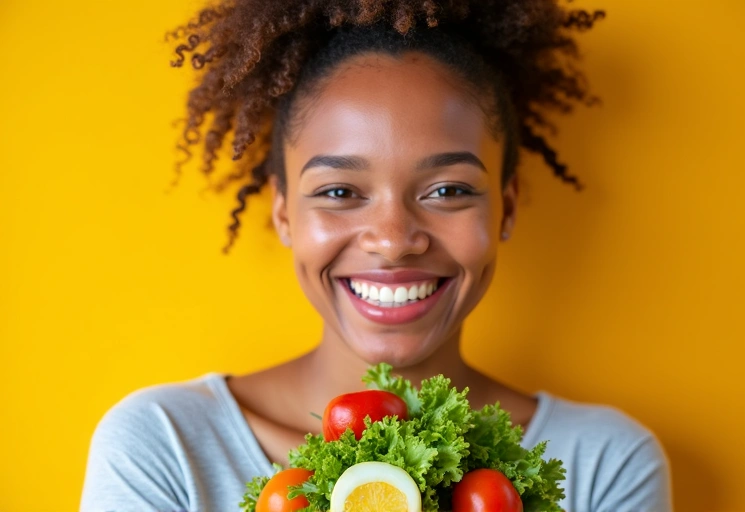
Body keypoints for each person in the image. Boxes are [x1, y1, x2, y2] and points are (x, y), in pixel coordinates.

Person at [81, 1, 672, 511]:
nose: (392, 239)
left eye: (448, 191)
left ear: (506, 209)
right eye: (339, 192)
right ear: (285, 213)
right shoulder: (165, 445)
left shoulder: (603, 464)